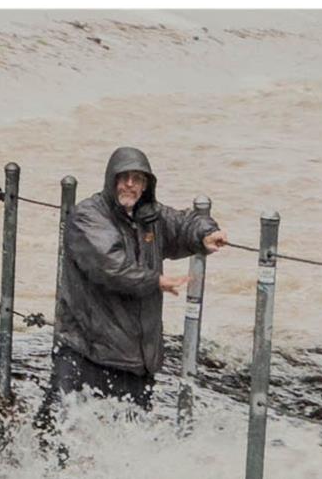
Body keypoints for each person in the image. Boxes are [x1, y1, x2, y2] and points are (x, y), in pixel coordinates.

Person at [47, 146, 228, 411]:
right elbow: (111, 267)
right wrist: (156, 281)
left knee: (126, 444)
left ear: (146, 185)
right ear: (111, 180)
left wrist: (205, 234)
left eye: (137, 179)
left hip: (135, 362)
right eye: (124, 177)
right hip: (87, 353)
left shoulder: (150, 216)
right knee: (55, 437)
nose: (129, 185)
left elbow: (183, 223)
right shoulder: (88, 216)